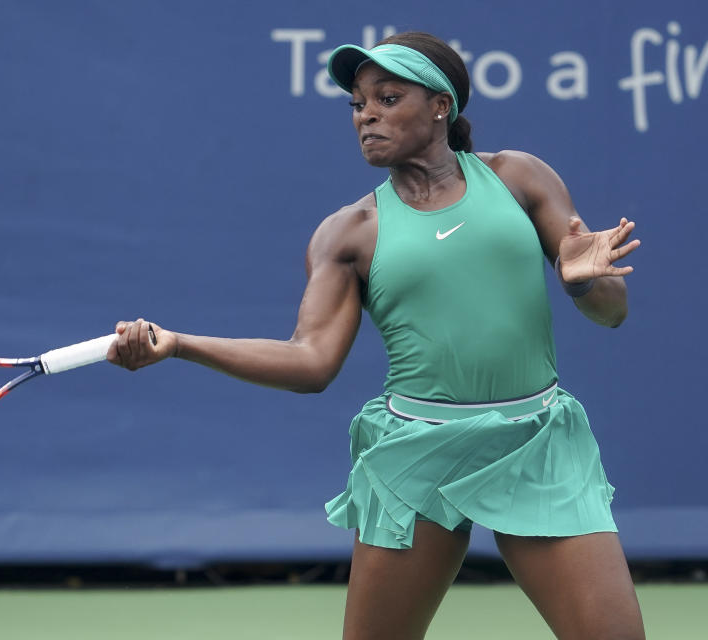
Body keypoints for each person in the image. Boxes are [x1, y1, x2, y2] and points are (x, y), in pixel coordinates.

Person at [108, 31, 644, 640]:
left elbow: (612, 311)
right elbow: (311, 362)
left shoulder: (518, 177)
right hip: (416, 453)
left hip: (539, 442)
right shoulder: (348, 232)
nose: (366, 115)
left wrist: (581, 283)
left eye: (388, 98)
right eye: (358, 103)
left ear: (442, 105)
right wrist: (178, 344)